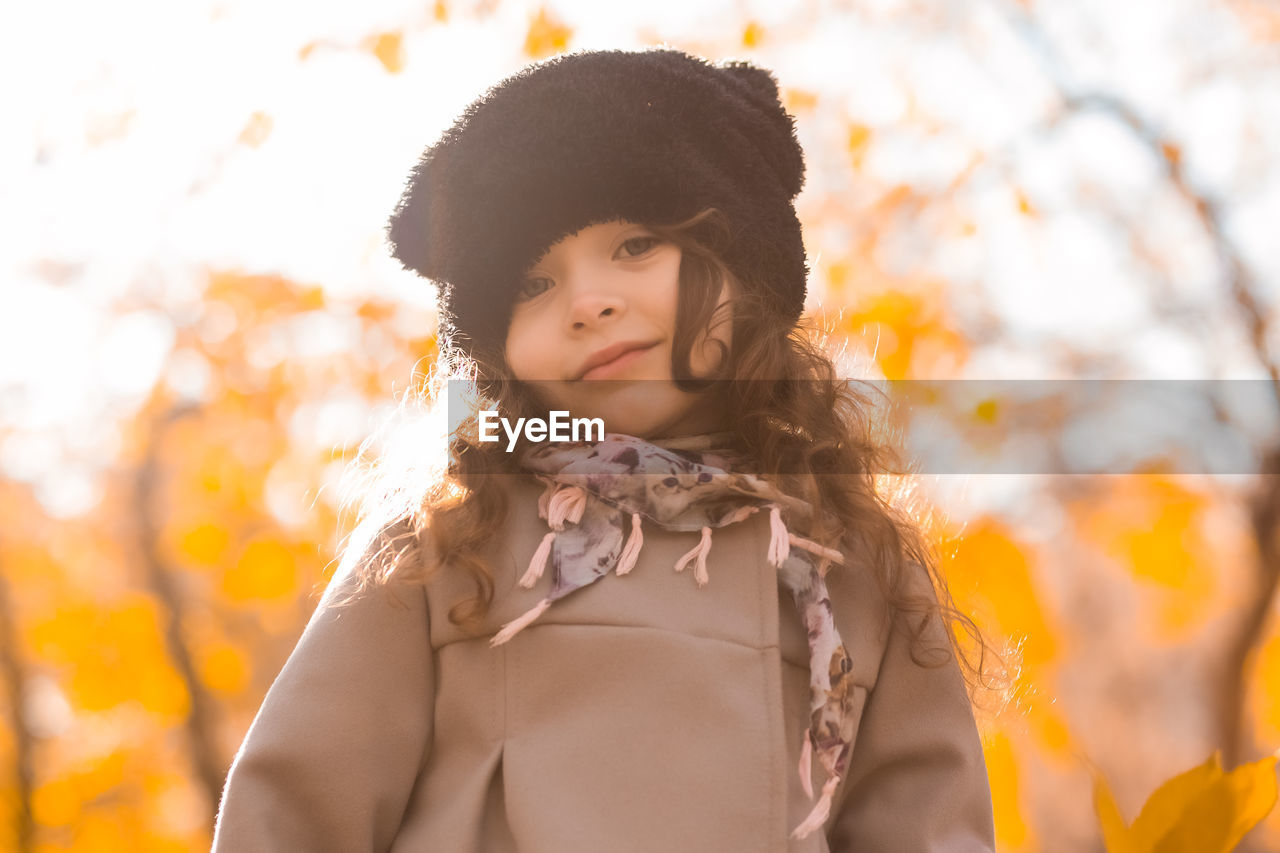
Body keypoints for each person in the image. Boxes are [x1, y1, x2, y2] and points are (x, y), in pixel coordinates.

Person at [211, 47, 1004, 851]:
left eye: (635, 247)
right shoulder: (447, 544)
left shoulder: (853, 559)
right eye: (532, 284)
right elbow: (289, 814)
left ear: (744, 263)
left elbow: (929, 827)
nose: (588, 303)